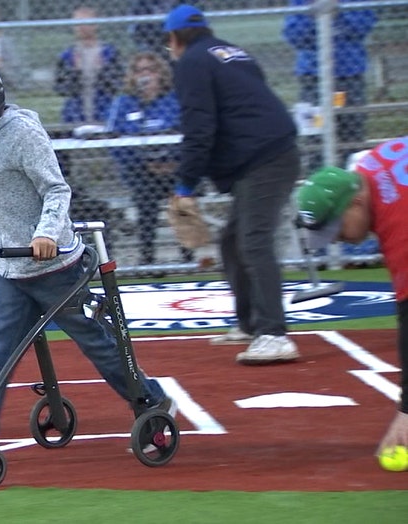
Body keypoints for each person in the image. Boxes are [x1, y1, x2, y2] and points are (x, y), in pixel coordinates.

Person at [0, 60, 175, 467]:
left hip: (56, 270)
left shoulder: (20, 134)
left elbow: (56, 190)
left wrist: (46, 234)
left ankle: (152, 401)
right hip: (12, 269)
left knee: (99, 346)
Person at [163, 5, 301, 364]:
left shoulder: (192, 62)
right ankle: (251, 323)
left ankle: (274, 333)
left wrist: (185, 185)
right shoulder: (230, 51)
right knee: (232, 241)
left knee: (253, 241)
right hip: (270, 152)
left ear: (174, 38)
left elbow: (199, 127)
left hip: (265, 159)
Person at [294, 136, 408, 463]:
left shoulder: (399, 223)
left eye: (338, 229)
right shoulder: (368, 166)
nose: (338, 239)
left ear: (356, 203)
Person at [105, 51, 192, 268]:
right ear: (132, 76)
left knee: (181, 197)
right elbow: (114, 139)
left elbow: (186, 133)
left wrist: (171, 160)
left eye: (150, 70)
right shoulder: (124, 102)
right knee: (146, 202)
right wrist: (144, 162)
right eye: (140, 71)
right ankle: (147, 258)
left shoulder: (174, 100)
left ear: (160, 74)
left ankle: (188, 256)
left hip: (173, 166)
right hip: (139, 169)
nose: (145, 75)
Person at [283, 0, 376, 164]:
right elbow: (294, 35)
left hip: (347, 77)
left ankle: (350, 175)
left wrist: (336, 12)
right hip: (313, 78)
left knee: (351, 131)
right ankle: (316, 172)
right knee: (314, 132)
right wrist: (314, 13)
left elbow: (361, 27)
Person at [54, 5, 123, 125]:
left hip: (104, 109)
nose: (81, 27)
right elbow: (61, 88)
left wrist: (102, 70)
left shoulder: (109, 53)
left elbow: (117, 85)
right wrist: (76, 72)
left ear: (96, 24)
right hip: (75, 112)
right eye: (77, 23)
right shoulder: (67, 56)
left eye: (86, 22)